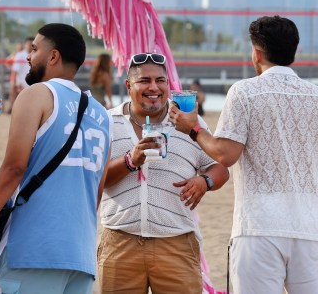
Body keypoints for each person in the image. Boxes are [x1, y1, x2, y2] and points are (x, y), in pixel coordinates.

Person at [169, 15, 318, 294]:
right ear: (293, 51)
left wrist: (193, 128)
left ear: (256, 53)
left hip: (260, 226)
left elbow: (225, 154)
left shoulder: (245, 91)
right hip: (311, 226)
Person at [0, 23, 111, 294]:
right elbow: (96, 191)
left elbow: (14, 168)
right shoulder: (102, 115)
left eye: (34, 49)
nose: (28, 57)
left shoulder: (37, 95)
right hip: (81, 253)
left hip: (34, 248)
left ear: (53, 57)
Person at [98, 52, 230, 294]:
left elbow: (220, 166)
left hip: (176, 243)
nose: (154, 88)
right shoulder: (107, 122)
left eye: (160, 80)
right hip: (120, 243)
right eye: (144, 81)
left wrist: (204, 181)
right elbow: (95, 180)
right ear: (129, 85)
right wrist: (130, 160)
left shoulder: (188, 121)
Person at [7, 36, 34, 112]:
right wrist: (15, 82)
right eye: (28, 44)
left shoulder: (36, 55)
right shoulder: (20, 55)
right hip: (21, 81)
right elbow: (15, 70)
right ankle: (11, 107)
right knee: (13, 89)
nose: (30, 46)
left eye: (32, 44)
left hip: (32, 81)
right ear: (25, 44)